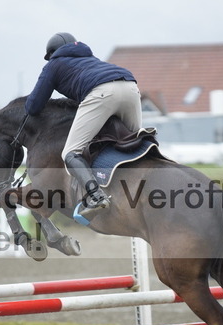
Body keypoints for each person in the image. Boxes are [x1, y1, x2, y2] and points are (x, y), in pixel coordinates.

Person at [25, 32, 142, 218]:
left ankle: (96, 196)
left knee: (70, 153)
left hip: (102, 92)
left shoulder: (54, 64)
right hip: (130, 87)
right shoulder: (90, 59)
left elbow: (34, 106)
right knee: (137, 144)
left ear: (53, 53)